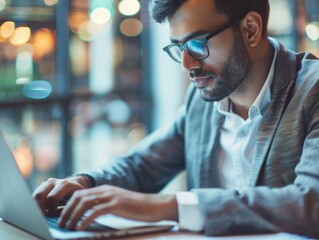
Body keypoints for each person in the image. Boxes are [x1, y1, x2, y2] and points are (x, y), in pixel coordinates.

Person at [33, 0, 319, 238]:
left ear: (251, 29)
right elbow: (143, 166)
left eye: (196, 45)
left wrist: (171, 205)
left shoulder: (313, 90)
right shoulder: (204, 99)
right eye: (178, 48)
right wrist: (85, 184)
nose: (187, 65)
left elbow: (310, 203)